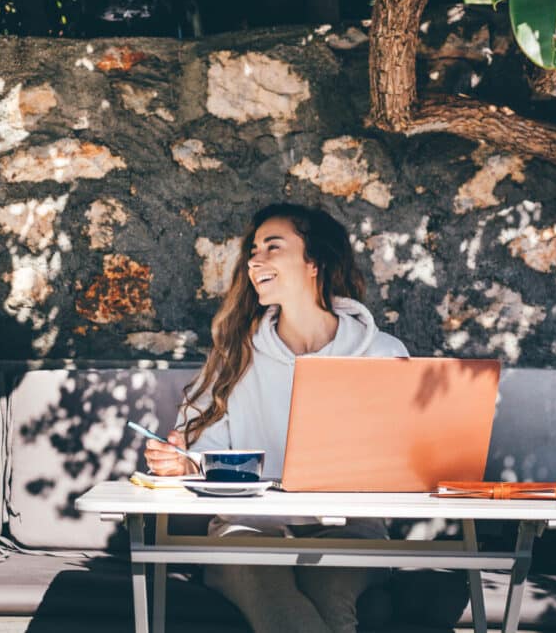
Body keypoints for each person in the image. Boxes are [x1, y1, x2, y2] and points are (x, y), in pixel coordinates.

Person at [144, 203, 408, 633]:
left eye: (272, 246)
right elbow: (204, 451)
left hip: (350, 530)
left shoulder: (383, 355)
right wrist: (183, 462)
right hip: (247, 530)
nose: (254, 260)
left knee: (329, 589)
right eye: (253, 250)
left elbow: (404, 460)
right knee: (274, 595)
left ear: (314, 262)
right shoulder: (236, 354)